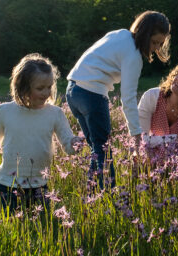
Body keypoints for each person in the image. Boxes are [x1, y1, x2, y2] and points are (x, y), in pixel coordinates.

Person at [0, 54, 83, 211]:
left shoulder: (55, 113)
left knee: (40, 228)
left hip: (39, 185)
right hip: (8, 184)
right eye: (40, 88)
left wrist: (75, 143)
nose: (46, 93)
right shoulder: (5, 111)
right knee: (9, 224)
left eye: (49, 87)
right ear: (23, 87)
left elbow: (67, 144)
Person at [66, 11, 170, 188]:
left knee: (96, 150)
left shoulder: (119, 34)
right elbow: (128, 97)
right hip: (92, 94)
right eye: (154, 42)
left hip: (72, 91)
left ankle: (92, 195)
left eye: (160, 44)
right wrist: (136, 133)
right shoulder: (134, 56)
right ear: (144, 33)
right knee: (103, 151)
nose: (156, 48)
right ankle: (109, 197)